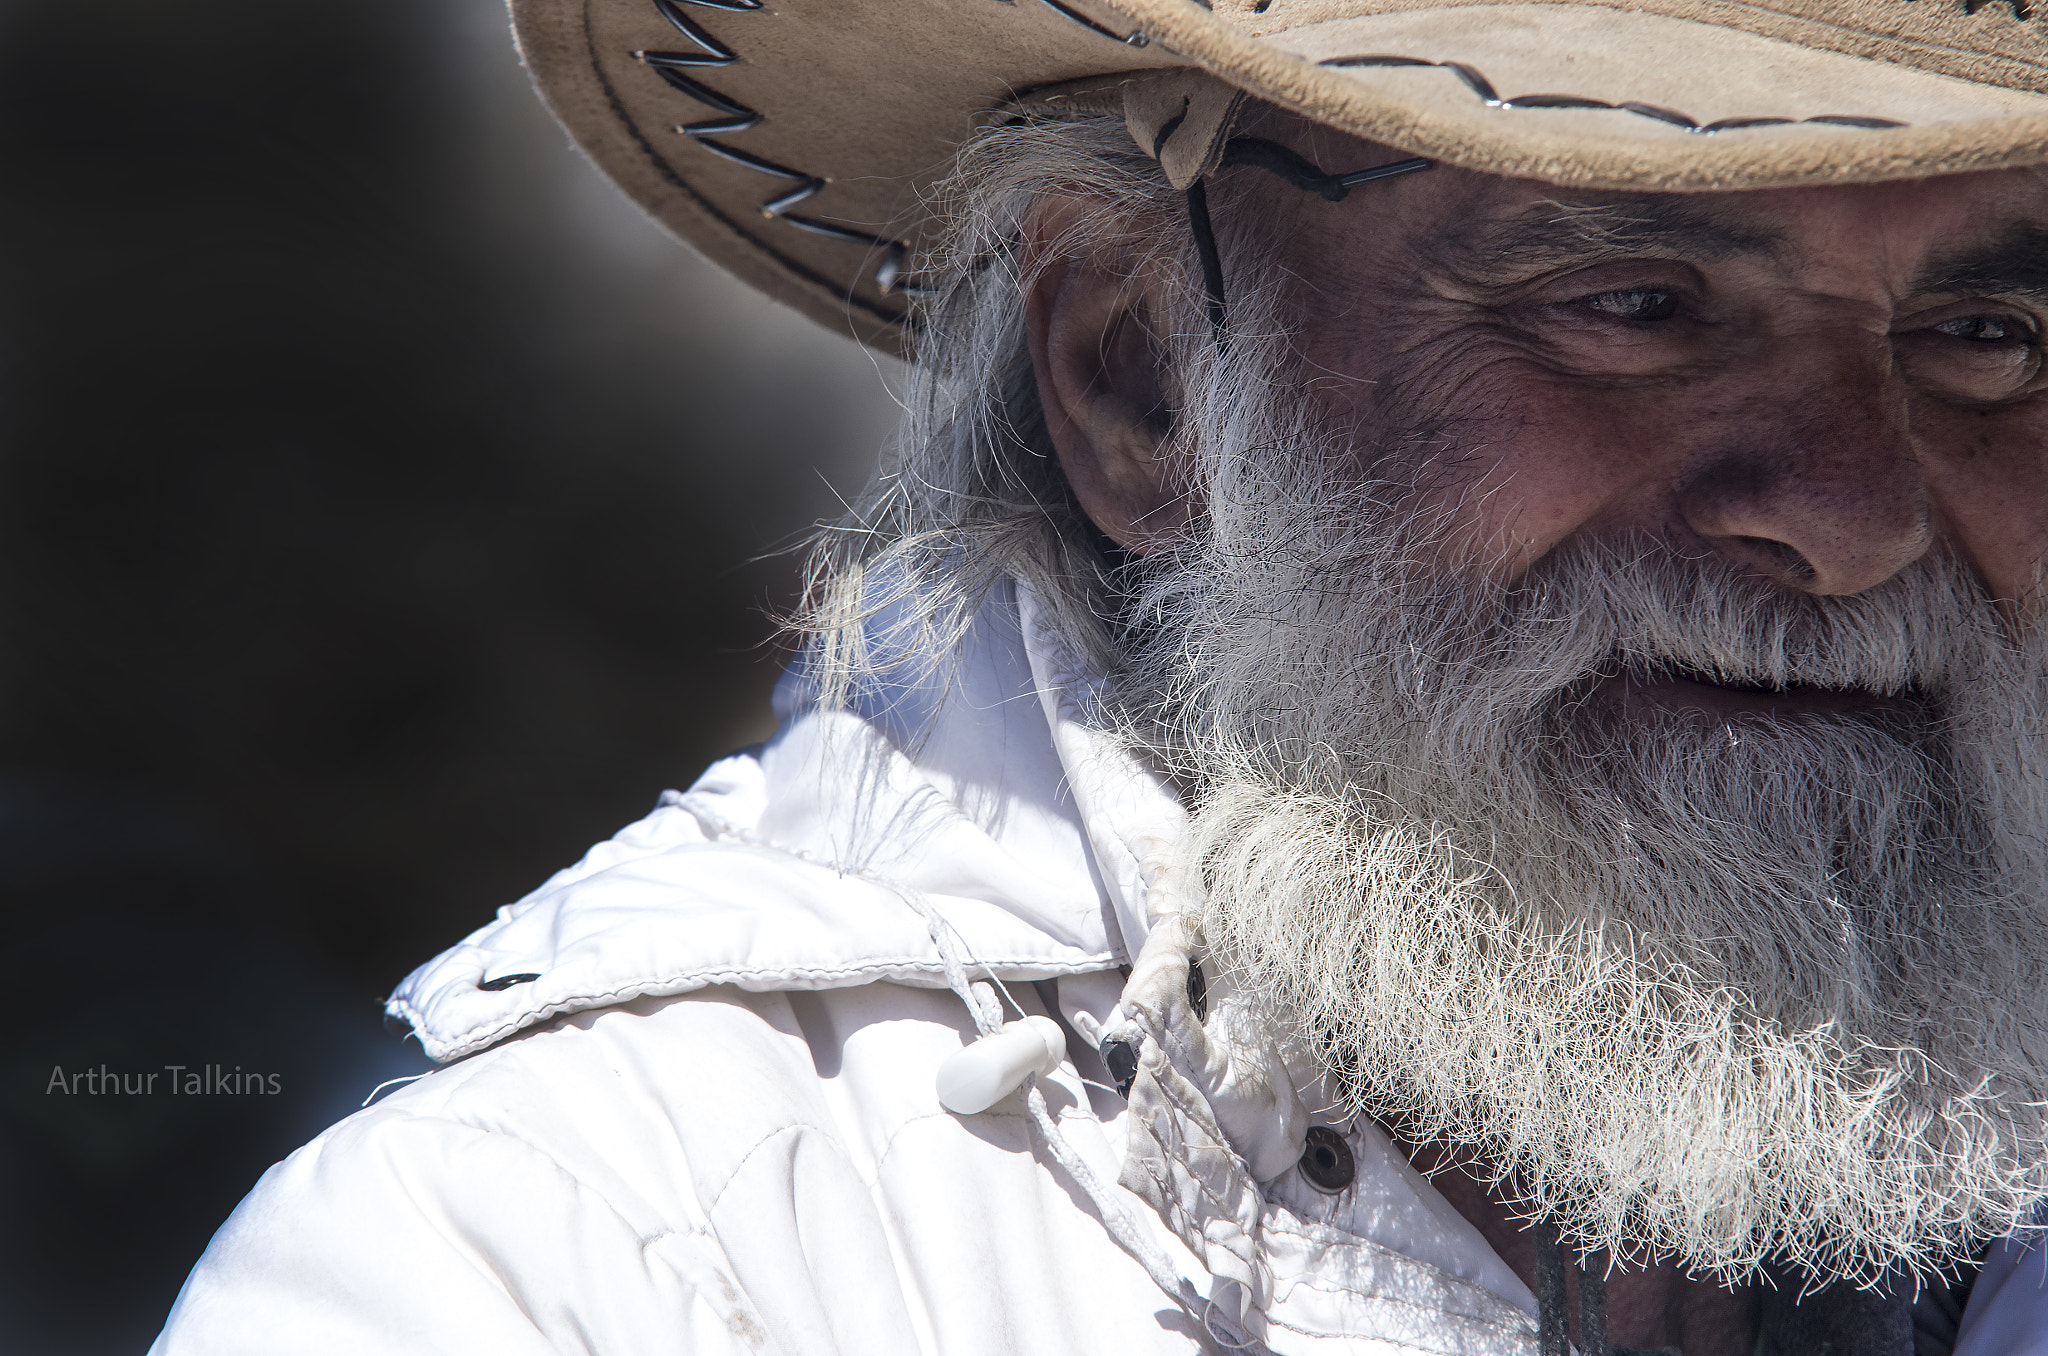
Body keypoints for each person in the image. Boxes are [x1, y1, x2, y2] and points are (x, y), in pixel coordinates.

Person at [152, 0, 2048, 1350]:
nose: (1856, 511)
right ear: (1134, 377)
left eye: (1989, 334)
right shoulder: (583, 1264)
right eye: (1633, 308)